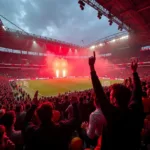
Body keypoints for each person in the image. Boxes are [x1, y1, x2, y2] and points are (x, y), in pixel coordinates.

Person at [89, 51, 144, 150]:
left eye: (110, 95)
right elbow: (137, 92)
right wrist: (134, 72)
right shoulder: (134, 110)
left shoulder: (114, 115)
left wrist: (92, 67)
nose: (109, 97)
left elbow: (99, 92)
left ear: (114, 99)